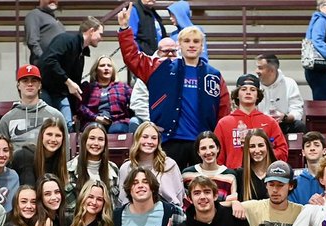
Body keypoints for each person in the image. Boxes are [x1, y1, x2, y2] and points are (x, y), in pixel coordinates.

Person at [118, 3, 229, 169]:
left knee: (201, 191)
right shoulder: (160, 68)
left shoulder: (213, 75)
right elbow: (133, 58)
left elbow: (224, 110)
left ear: (201, 46)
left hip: (202, 145)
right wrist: (125, 28)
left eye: (196, 41)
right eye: (186, 41)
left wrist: (217, 140)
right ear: (179, 45)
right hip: (169, 141)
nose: (191, 45)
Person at [234, 160, 305, 226]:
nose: (275, 190)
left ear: (291, 186)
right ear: (266, 185)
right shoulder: (254, 207)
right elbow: (216, 207)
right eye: (271, 184)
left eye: (280, 185)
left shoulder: (302, 212)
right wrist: (234, 203)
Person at [40, 18, 104, 130]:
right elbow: (49, 61)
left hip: (60, 93)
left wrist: (75, 111)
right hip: (46, 89)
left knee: (68, 126)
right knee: (47, 126)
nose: (101, 38)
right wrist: (68, 81)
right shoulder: (65, 39)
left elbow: (74, 85)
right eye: (100, 34)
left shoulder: (81, 55)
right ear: (92, 31)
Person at [213, 75, 289, 170]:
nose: (248, 92)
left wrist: (263, 155)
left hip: (263, 176)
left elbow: (282, 151)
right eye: (244, 89)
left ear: (258, 95)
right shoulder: (224, 123)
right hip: (234, 176)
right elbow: (217, 156)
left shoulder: (270, 122)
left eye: (253, 89)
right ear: (237, 94)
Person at [116, 122, 186, 208]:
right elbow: (122, 202)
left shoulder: (169, 165)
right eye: (145, 137)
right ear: (137, 139)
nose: (149, 141)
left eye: (154, 138)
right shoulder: (126, 168)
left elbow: (179, 197)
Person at [0, 65, 63, 147]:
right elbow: (2, 151)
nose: (30, 84)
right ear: (18, 85)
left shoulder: (56, 116)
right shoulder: (7, 119)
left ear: (40, 85)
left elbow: (64, 151)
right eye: (25, 81)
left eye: (34, 80)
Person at [78, 58, 135, 135]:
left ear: (113, 70)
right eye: (102, 65)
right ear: (96, 70)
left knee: (117, 130)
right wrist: (95, 118)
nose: (106, 68)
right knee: (95, 132)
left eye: (109, 66)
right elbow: (80, 107)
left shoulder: (122, 87)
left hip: (117, 121)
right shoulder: (88, 87)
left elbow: (135, 101)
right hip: (93, 121)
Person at [256, 53, 305, 134]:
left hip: (283, 124)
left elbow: (297, 110)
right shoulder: (254, 85)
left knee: (299, 125)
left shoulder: (289, 83)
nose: (256, 71)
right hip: (260, 124)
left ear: (271, 70)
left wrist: (285, 117)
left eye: (260, 68)